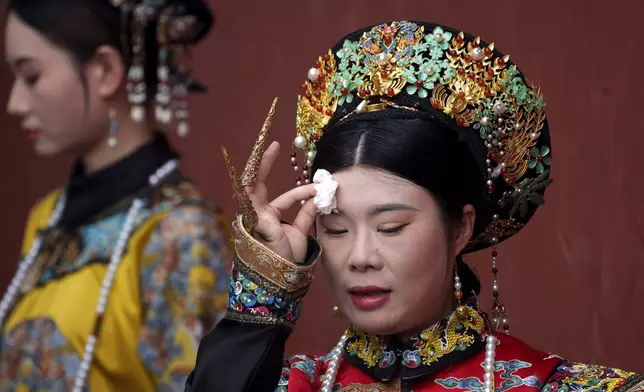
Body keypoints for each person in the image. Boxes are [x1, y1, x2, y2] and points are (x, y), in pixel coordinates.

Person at [184, 21, 644, 392]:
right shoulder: (288, 384)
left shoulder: (561, 386)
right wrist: (266, 288)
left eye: (391, 227)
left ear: (460, 228)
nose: (359, 257)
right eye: (337, 229)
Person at [2, 0, 231, 390]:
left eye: (32, 76)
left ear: (105, 71)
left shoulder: (181, 233)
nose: (14, 103)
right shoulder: (48, 217)